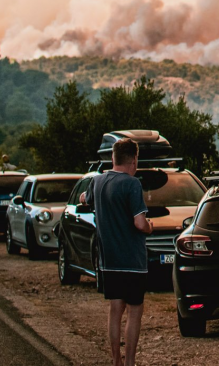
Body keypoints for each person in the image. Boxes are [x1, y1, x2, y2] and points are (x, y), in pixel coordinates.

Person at [83, 138, 154, 366]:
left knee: (115, 309)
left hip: (108, 259)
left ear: (113, 158)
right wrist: (150, 226)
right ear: (134, 160)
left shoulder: (98, 181)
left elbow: (85, 198)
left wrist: (86, 197)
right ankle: (130, 362)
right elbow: (139, 223)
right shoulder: (131, 184)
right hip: (132, 260)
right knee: (134, 311)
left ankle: (116, 361)